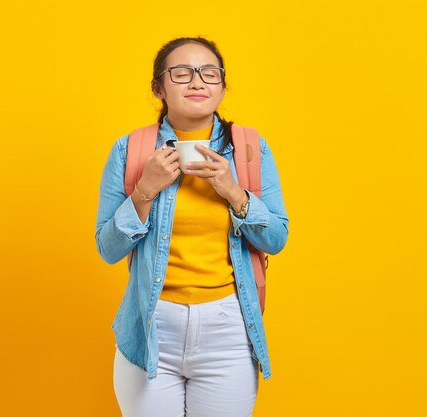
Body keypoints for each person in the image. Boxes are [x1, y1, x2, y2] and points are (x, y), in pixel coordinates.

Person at [95, 36, 289, 417]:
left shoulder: (249, 148)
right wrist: (144, 191)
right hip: (151, 328)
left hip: (228, 329)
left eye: (209, 73)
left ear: (221, 85)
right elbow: (108, 248)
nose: (197, 82)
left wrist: (234, 191)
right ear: (159, 87)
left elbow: (277, 238)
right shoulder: (129, 150)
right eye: (182, 73)